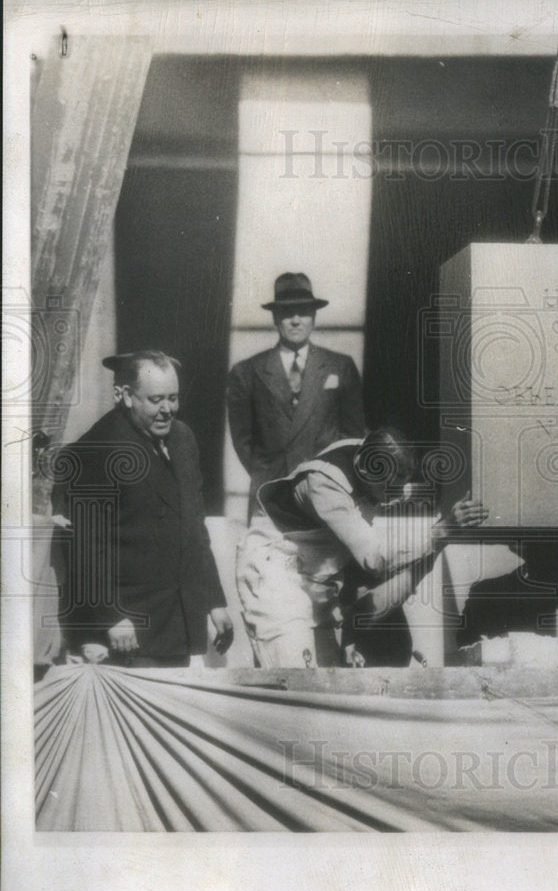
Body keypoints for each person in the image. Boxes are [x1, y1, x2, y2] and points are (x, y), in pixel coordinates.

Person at [235, 429, 489, 668]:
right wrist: (440, 531)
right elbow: (374, 557)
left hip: (316, 577)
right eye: (390, 489)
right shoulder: (324, 484)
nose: (398, 496)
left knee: (326, 682)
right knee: (293, 677)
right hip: (275, 575)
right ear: (368, 472)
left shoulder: (366, 455)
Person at [52, 351, 234, 667]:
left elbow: (193, 528)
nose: (167, 410)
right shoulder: (98, 449)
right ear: (124, 396)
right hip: (126, 630)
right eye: (155, 399)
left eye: (173, 398)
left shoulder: (183, 439)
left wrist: (214, 601)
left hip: (175, 622)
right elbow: (84, 544)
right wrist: (111, 617)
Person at [226, 272, 366, 523]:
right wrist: (268, 473)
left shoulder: (340, 366)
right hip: (271, 492)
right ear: (274, 318)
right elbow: (243, 439)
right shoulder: (247, 371)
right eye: (286, 313)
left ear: (314, 317)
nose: (295, 321)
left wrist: (329, 475)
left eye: (303, 312)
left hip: (325, 491)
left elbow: (352, 435)